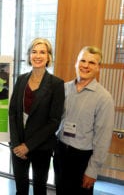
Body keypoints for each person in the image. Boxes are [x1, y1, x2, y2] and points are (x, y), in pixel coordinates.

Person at [53, 46, 115, 195]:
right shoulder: (64, 88)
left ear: (98, 68)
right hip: (61, 153)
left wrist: (92, 171)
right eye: (83, 60)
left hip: (82, 159)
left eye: (92, 63)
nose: (86, 66)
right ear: (76, 63)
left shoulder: (104, 98)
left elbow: (103, 138)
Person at [9, 38, 65, 195]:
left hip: (42, 146)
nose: (38, 56)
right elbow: (13, 112)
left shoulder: (56, 84)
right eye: (34, 52)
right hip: (18, 145)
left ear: (49, 57)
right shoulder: (21, 80)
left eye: (42, 52)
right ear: (29, 55)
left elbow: (54, 121)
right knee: (21, 187)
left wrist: (28, 146)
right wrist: (15, 144)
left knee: (39, 188)